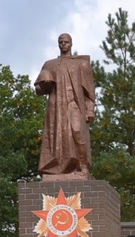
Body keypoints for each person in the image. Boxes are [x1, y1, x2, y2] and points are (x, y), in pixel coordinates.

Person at [35, 33, 96, 180]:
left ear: (71, 44)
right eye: (61, 42)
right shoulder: (49, 64)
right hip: (56, 106)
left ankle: (83, 167)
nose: (63, 44)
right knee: (57, 137)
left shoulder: (81, 64)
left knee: (76, 132)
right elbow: (38, 90)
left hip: (74, 104)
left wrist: (90, 109)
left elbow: (89, 91)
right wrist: (45, 84)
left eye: (66, 42)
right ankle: (56, 170)